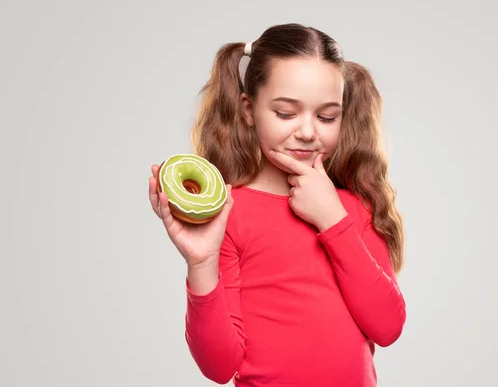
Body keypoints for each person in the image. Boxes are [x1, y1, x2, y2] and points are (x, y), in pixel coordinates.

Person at [148, 23, 407, 387]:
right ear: (248, 109)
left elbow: (388, 326)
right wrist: (201, 263)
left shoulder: (353, 208)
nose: (306, 131)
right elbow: (219, 366)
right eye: (286, 113)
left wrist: (333, 219)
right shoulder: (228, 213)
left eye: (327, 116)